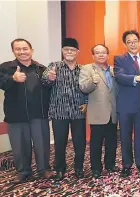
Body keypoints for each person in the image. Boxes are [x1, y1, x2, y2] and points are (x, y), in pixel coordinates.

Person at [0, 38, 53, 183]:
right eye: (18, 49)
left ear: (31, 50)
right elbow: (2, 84)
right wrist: (12, 78)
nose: (22, 52)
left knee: (42, 144)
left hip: (39, 113)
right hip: (16, 115)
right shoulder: (5, 68)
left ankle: (44, 169)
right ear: (13, 51)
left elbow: (49, 89)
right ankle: (23, 171)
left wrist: (52, 80)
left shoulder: (41, 68)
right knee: (20, 145)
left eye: (25, 48)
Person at [42, 38, 88, 181]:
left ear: (77, 52)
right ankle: (60, 169)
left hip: (78, 111)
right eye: (66, 49)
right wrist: (49, 78)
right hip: (59, 111)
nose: (69, 52)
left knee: (79, 142)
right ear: (62, 51)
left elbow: (87, 89)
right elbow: (44, 81)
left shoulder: (83, 69)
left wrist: (86, 102)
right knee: (60, 142)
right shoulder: (54, 66)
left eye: (72, 50)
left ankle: (79, 167)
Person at [114, 30, 140, 177]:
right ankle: (127, 165)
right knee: (125, 136)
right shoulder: (119, 59)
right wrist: (137, 78)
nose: (133, 44)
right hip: (126, 105)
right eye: (129, 42)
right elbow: (119, 76)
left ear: (139, 41)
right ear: (125, 44)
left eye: (135, 41)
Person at [79, 44, 118, 179]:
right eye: (97, 53)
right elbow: (83, 87)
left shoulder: (113, 70)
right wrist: (92, 82)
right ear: (93, 55)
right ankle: (96, 168)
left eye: (103, 52)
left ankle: (110, 164)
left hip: (113, 113)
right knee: (96, 143)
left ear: (108, 55)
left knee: (112, 142)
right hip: (97, 113)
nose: (101, 55)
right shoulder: (87, 69)